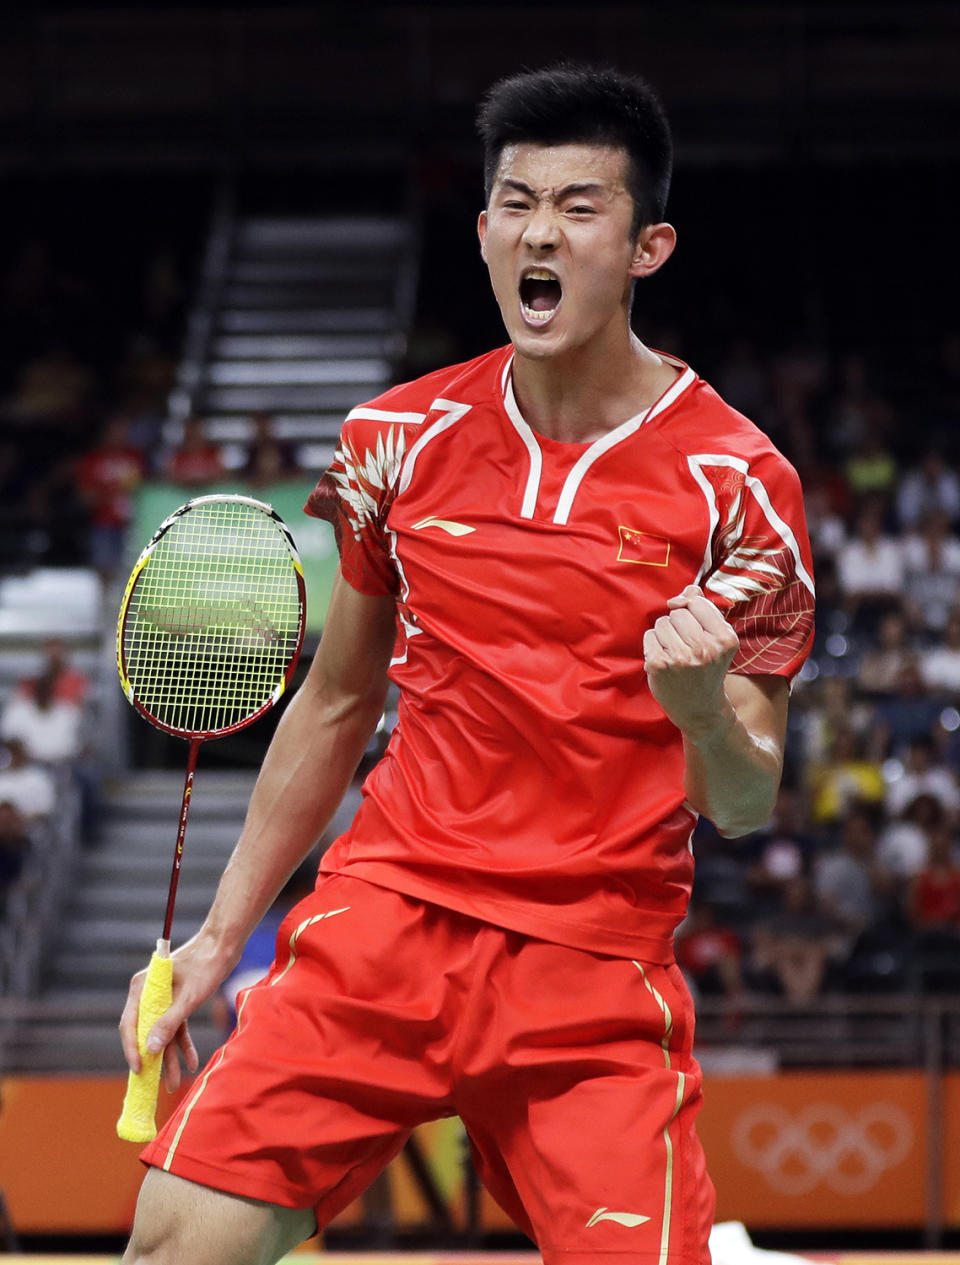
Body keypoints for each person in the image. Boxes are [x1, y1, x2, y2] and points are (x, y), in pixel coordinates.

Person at [119, 64, 814, 1265]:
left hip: (592, 965)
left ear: (648, 245)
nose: (542, 230)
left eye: (581, 206)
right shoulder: (393, 442)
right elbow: (338, 700)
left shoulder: (737, 482)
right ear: (485, 229)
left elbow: (745, 802)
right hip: (386, 919)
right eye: (516, 202)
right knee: (172, 1248)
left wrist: (698, 707)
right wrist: (222, 941)